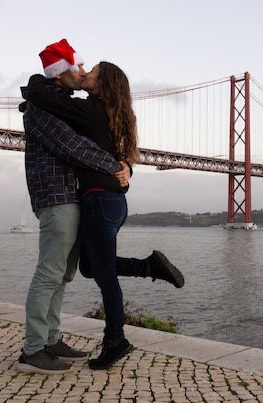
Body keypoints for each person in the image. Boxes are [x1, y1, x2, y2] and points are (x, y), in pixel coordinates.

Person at [18, 39, 184, 375]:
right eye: (78, 67)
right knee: (75, 271)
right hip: (66, 197)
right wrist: (119, 168)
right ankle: (37, 348)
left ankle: (65, 340)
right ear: (59, 72)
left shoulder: (80, 107)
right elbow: (73, 145)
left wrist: (122, 168)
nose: (82, 72)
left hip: (90, 198)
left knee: (78, 273)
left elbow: (95, 147)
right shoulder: (53, 107)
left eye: (88, 70)